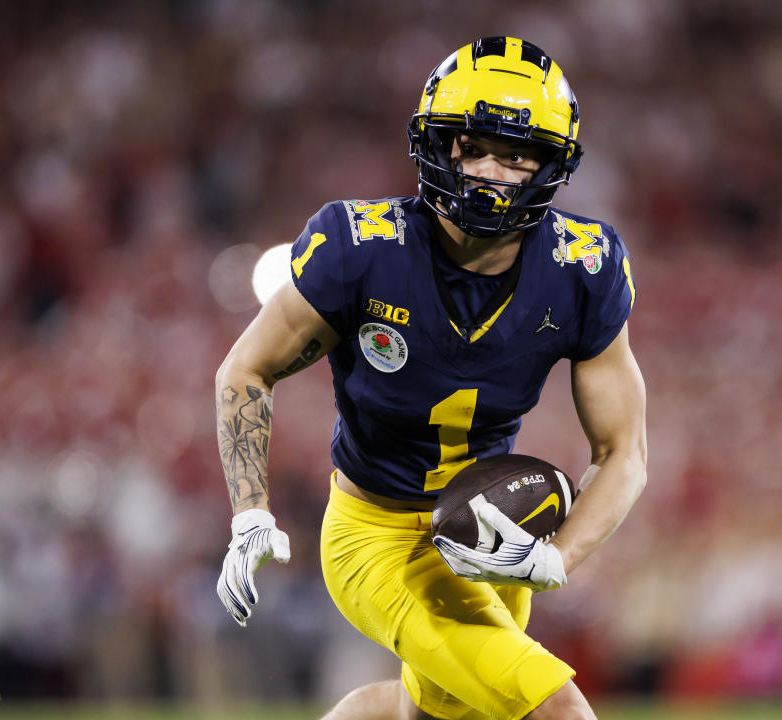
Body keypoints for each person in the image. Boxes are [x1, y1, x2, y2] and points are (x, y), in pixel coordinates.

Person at [215, 36, 646, 720]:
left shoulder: (583, 267)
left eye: (516, 153)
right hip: (376, 533)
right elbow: (249, 366)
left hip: (485, 536)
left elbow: (625, 453)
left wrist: (555, 557)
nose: (490, 171)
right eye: (471, 146)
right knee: (555, 708)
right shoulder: (360, 247)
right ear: (435, 145)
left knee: (438, 717)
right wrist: (250, 512)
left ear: (550, 165)